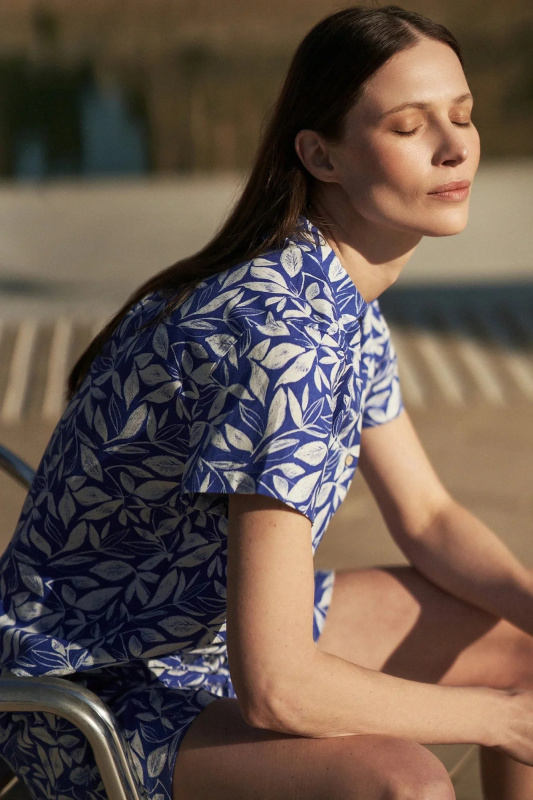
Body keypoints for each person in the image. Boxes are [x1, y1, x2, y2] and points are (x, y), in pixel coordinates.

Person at [1, 5, 533, 800]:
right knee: (404, 784)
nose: (454, 146)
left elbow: (426, 518)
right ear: (320, 155)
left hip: (199, 629)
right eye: (408, 126)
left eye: (461, 114)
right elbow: (279, 687)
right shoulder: (285, 342)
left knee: (516, 645)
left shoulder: (332, 296)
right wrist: (500, 720)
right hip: (83, 686)